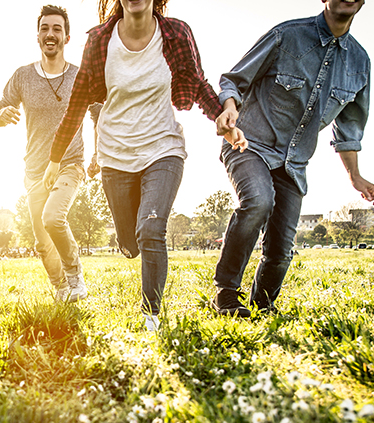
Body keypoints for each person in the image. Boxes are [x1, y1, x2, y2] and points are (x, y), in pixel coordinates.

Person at [48, 0, 247, 331]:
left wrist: (222, 119)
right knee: (130, 242)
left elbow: (197, 84)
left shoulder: (176, 34)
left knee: (152, 229)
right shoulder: (100, 40)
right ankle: (134, 244)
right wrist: (56, 158)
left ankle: (151, 317)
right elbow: (79, 100)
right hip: (116, 156)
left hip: (163, 148)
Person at [212, 0, 374, 317]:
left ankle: (262, 304)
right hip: (250, 144)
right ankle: (226, 293)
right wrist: (230, 107)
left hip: (294, 162)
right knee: (258, 201)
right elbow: (234, 80)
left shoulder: (358, 63)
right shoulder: (286, 36)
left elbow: (349, 130)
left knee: (281, 247)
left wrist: (355, 177)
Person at [0, 5, 91, 303]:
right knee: (41, 242)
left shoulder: (80, 76)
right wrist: (4, 112)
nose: (51, 34)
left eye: (57, 29)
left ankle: (76, 277)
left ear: (67, 37)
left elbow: (100, 113)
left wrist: (99, 153)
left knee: (53, 217)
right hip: (34, 169)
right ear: (38, 36)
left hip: (69, 163)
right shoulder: (22, 76)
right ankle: (61, 287)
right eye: (45, 28)